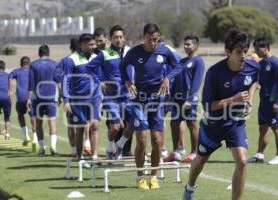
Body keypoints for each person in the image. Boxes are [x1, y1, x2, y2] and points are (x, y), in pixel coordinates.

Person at [183, 29, 259, 200]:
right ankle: (189, 188)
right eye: (239, 52)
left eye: (245, 51)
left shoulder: (252, 67)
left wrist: (250, 99)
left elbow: (255, 81)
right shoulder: (214, 73)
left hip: (235, 123)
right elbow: (209, 106)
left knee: (242, 161)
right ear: (227, 52)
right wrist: (235, 99)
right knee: (200, 160)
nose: (243, 56)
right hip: (213, 124)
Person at [120, 23, 183, 189]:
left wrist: (168, 78)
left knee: (157, 141)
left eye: (155, 39)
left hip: (157, 100)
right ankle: (140, 176)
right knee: (141, 139)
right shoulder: (134, 52)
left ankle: (153, 176)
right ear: (143, 37)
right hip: (138, 100)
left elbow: (178, 65)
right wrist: (127, 81)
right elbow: (122, 66)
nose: (152, 43)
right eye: (149, 39)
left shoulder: (164, 51)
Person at [86, 25, 133, 160]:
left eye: (120, 37)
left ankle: (120, 145)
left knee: (134, 125)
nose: (118, 40)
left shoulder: (130, 52)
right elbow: (89, 68)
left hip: (128, 96)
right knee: (116, 126)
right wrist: (99, 81)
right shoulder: (105, 53)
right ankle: (109, 147)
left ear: (124, 38)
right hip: (111, 97)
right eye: (115, 37)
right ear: (110, 39)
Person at [164, 35, 204, 163]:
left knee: (191, 124)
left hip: (188, 99)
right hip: (177, 99)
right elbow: (175, 78)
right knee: (174, 123)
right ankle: (175, 152)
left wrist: (190, 99)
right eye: (185, 44)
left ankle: (195, 153)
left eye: (189, 44)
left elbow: (196, 83)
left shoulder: (198, 61)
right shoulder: (182, 61)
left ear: (196, 46)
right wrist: (170, 96)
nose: (186, 46)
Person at [62, 33, 101, 161]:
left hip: (95, 97)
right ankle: (79, 157)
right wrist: (66, 101)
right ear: (83, 45)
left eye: (94, 44)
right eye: (90, 45)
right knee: (80, 128)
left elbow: (100, 76)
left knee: (94, 125)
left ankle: (94, 156)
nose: (93, 47)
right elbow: (65, 81)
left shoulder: (97, 57)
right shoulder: (71, 60)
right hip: (77, 99)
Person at [247, 37, 278, 165]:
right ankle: (260, 155)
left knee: (276, 128)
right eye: (255, 49)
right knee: (262, 129)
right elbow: (259, 81)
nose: (256, 52)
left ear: (266, 48)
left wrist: (277, 102)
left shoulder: (276, 63)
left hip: (273, 102)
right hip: (263, 102)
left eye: (258, 49)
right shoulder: (261, 64)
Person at [27, 44, 58, 155]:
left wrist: (28, 99)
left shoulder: (33, 65)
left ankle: (42, 148)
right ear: (48, 53)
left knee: (38, 123)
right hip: (51, 97)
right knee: (52, 122)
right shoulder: (55, 64)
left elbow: (31, 83)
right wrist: (60, 97)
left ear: (39, 54)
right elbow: (59, 81)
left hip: (38, 98)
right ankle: (53, 147)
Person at [53, 38, 80, 157]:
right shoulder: (87, 59)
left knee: (71, 124)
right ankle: (87, 145)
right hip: (85, 96)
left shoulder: (65, 61)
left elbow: (57, 77)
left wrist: (62, 95)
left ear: (71, 48)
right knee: (88, 123)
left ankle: (74, 150)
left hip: (70, 97)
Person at [10, 56, 38, 150]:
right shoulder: (32, 71)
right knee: (33, 117)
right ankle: (35, 138)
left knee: (20, 115)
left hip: (21, 98)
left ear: (21, 63)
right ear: (29, 64)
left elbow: (9, 76)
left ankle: (26, 136)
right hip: (32, 97)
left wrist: (10, 91)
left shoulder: (17, 71)